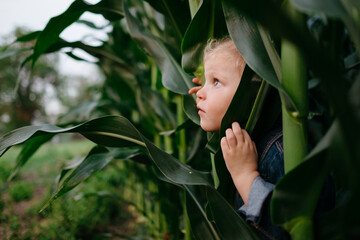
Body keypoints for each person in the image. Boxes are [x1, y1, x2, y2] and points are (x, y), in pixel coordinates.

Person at [188, 37, 305, 239]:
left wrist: (246, 176)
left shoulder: (281, 152)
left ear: (252, 94)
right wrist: (211, 89)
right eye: (205, 81)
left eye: (216, 82)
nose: (200, 93)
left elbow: (293, 229)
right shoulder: (247, 142)